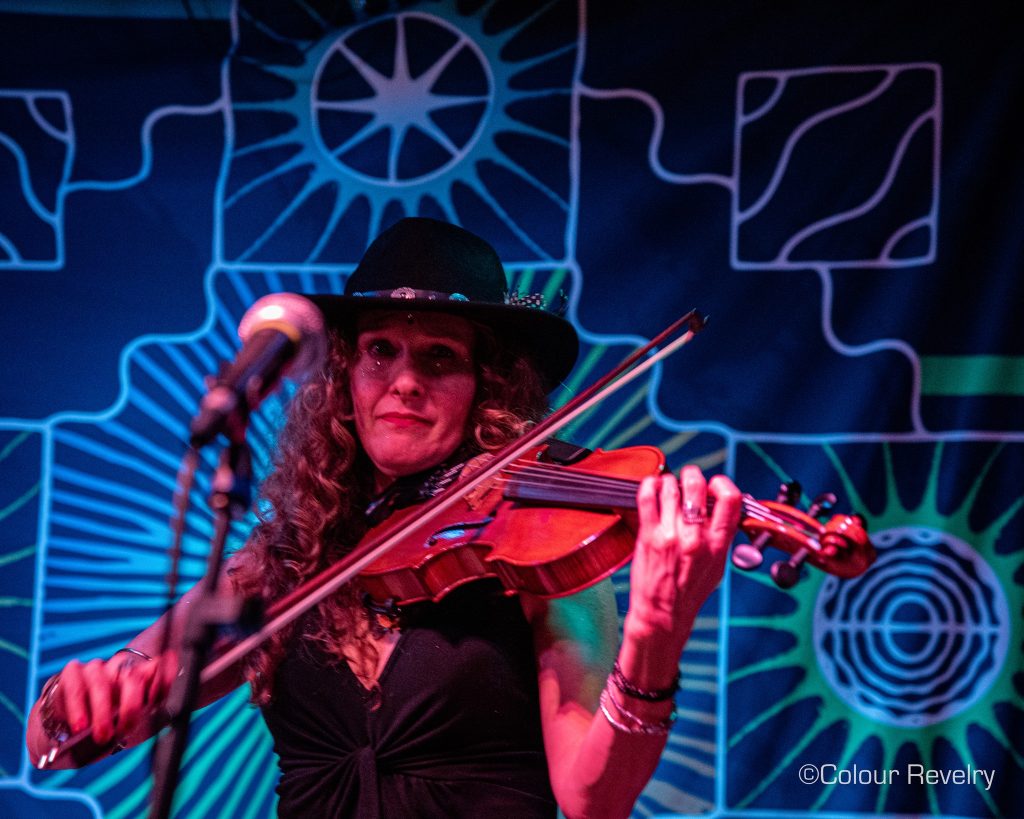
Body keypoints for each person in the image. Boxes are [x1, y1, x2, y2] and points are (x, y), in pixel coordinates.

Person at [27, 217, 742, 818]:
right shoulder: (288, 556)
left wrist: (657, 630)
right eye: (380, 351)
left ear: (484, 386)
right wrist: (83, 699)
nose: (404, 381)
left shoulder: (535, 541)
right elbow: (50, 742)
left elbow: (593, 798)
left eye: (440, 357)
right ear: (344, 376)